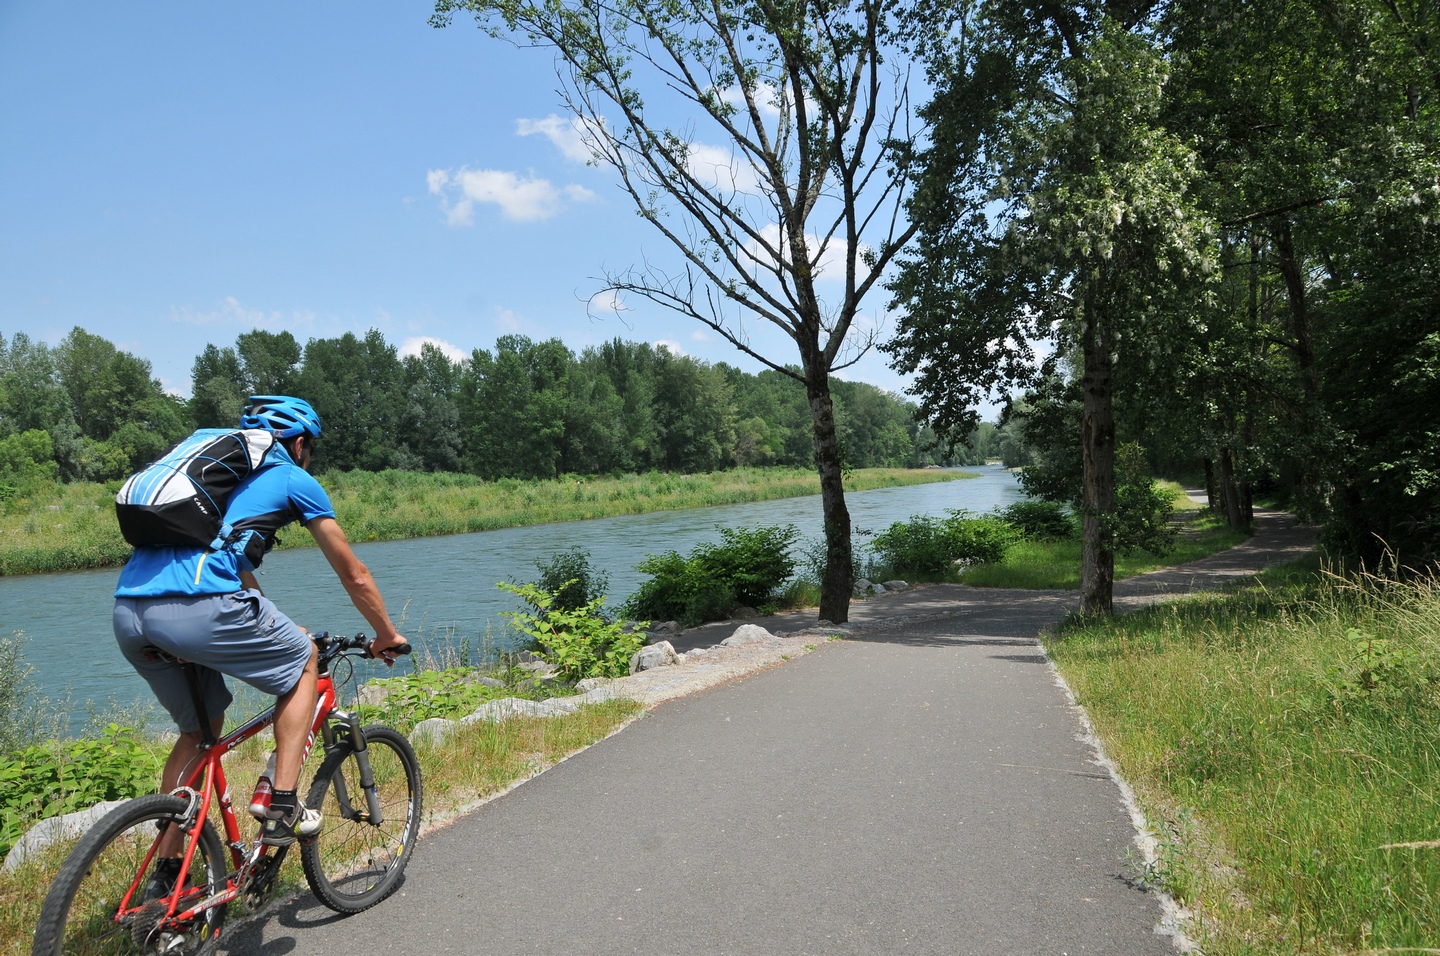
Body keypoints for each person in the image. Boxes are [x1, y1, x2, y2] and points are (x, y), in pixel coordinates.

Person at [113, 395, 408, 894]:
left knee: (199, 731)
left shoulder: (214, 488)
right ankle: (282, 802)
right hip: (201, 607)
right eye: (309, 449)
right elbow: (354, 574)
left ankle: (166, 879)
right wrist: (386, 633)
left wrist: (271, 620)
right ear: (299, 445)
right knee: (303, 661)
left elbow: (233, 564)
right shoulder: (293, 476)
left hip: (130, 613)